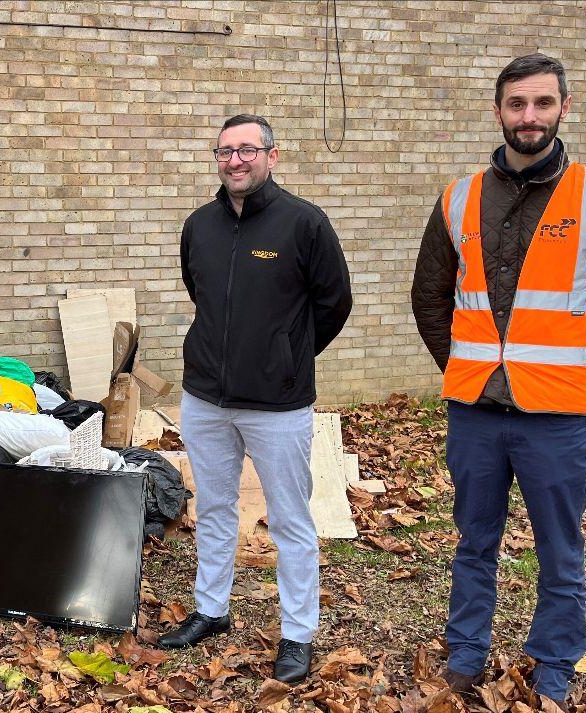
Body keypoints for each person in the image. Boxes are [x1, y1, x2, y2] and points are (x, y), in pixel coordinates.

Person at [412, 53, 586, 705]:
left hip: (556, 416)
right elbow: (429, 297)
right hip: (476, 414)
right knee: (474, 540)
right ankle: (466, 653)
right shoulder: (458, 196)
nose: (530, 116)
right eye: (517, 104)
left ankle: (553, 663)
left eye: (543, 103)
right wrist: (469, 366)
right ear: (498, 112)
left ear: (563, 108)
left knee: (561, 550)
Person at [162, 114, 353, 684]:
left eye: (248, 149)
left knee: (291, 521)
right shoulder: (199, 226)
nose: (235, 160)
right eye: (225, 151)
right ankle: (211, 610)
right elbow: (199, 294)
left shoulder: (304, 224)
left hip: (278, 405)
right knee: (215, 510)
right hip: (206, 399)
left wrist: (286, 355)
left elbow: (334, 303)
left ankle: (298, 634)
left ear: (273, 156)